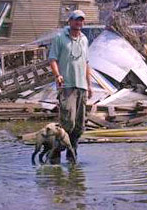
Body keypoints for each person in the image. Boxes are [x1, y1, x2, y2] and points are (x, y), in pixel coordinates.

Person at [48, 10, 92, 162]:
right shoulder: (60, 38)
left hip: (82, 86)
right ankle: (54, 152)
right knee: (68, 122)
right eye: (76, 20)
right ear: (70, 22)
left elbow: (86, 63)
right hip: (66, 86)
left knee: (80, 126)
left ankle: (72, 154)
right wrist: (57, 75)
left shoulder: (85, 40)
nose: (78, 23)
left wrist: (90, 85)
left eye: (81, 20)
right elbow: (52, 59)